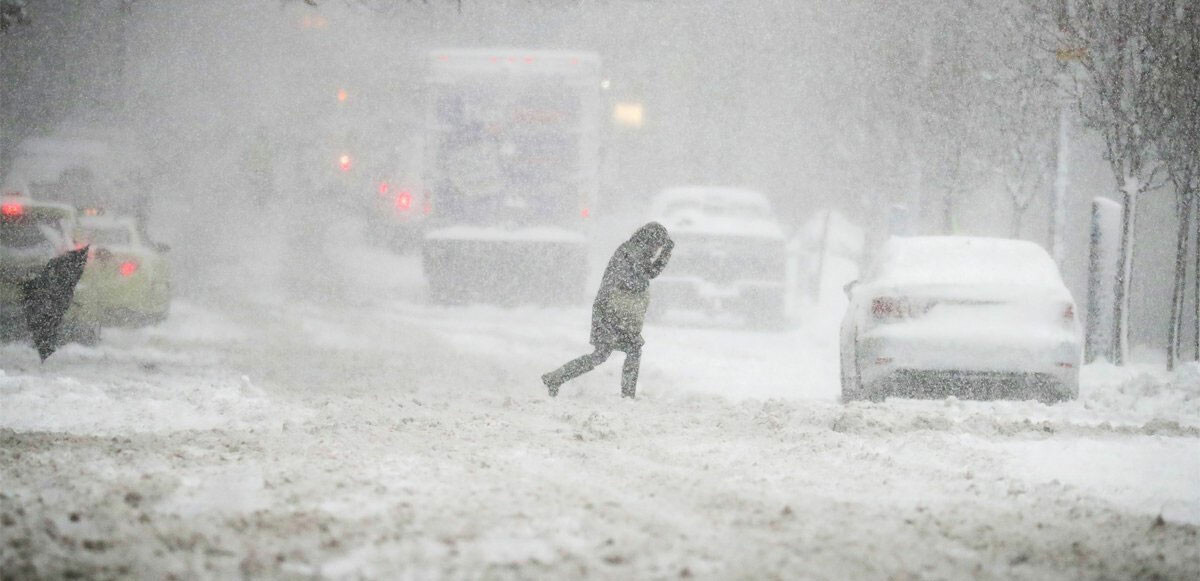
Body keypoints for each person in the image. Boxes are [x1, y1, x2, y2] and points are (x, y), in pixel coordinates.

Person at [542, 222, 674, 398]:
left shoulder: (633, 251)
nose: (657, 249)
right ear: (650, 240)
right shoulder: (631, 253)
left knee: (617, 351)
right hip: (610, 313)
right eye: (658, 245)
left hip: (616, 312)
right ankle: (626, 395)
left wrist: (665, 254)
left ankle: (556, 378)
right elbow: (644, 276)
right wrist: (664, 255)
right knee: (612, 352)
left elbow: (648, 273)